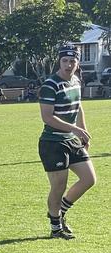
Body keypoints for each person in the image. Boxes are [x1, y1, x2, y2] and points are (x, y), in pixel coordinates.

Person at [38, 44, 96, 239]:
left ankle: (59, 211)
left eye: (72, 61)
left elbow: (78, 107)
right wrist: (75, 129)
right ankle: (55, 227)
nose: (68, 64)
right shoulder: (50, 84)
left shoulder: (76, 81)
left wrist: (83, 131)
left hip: (71, 139)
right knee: (59, 186)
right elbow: (47, 117)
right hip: (52, 142)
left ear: (77, 62)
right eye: (65, 61)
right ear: (59, 61)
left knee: (89, 179)